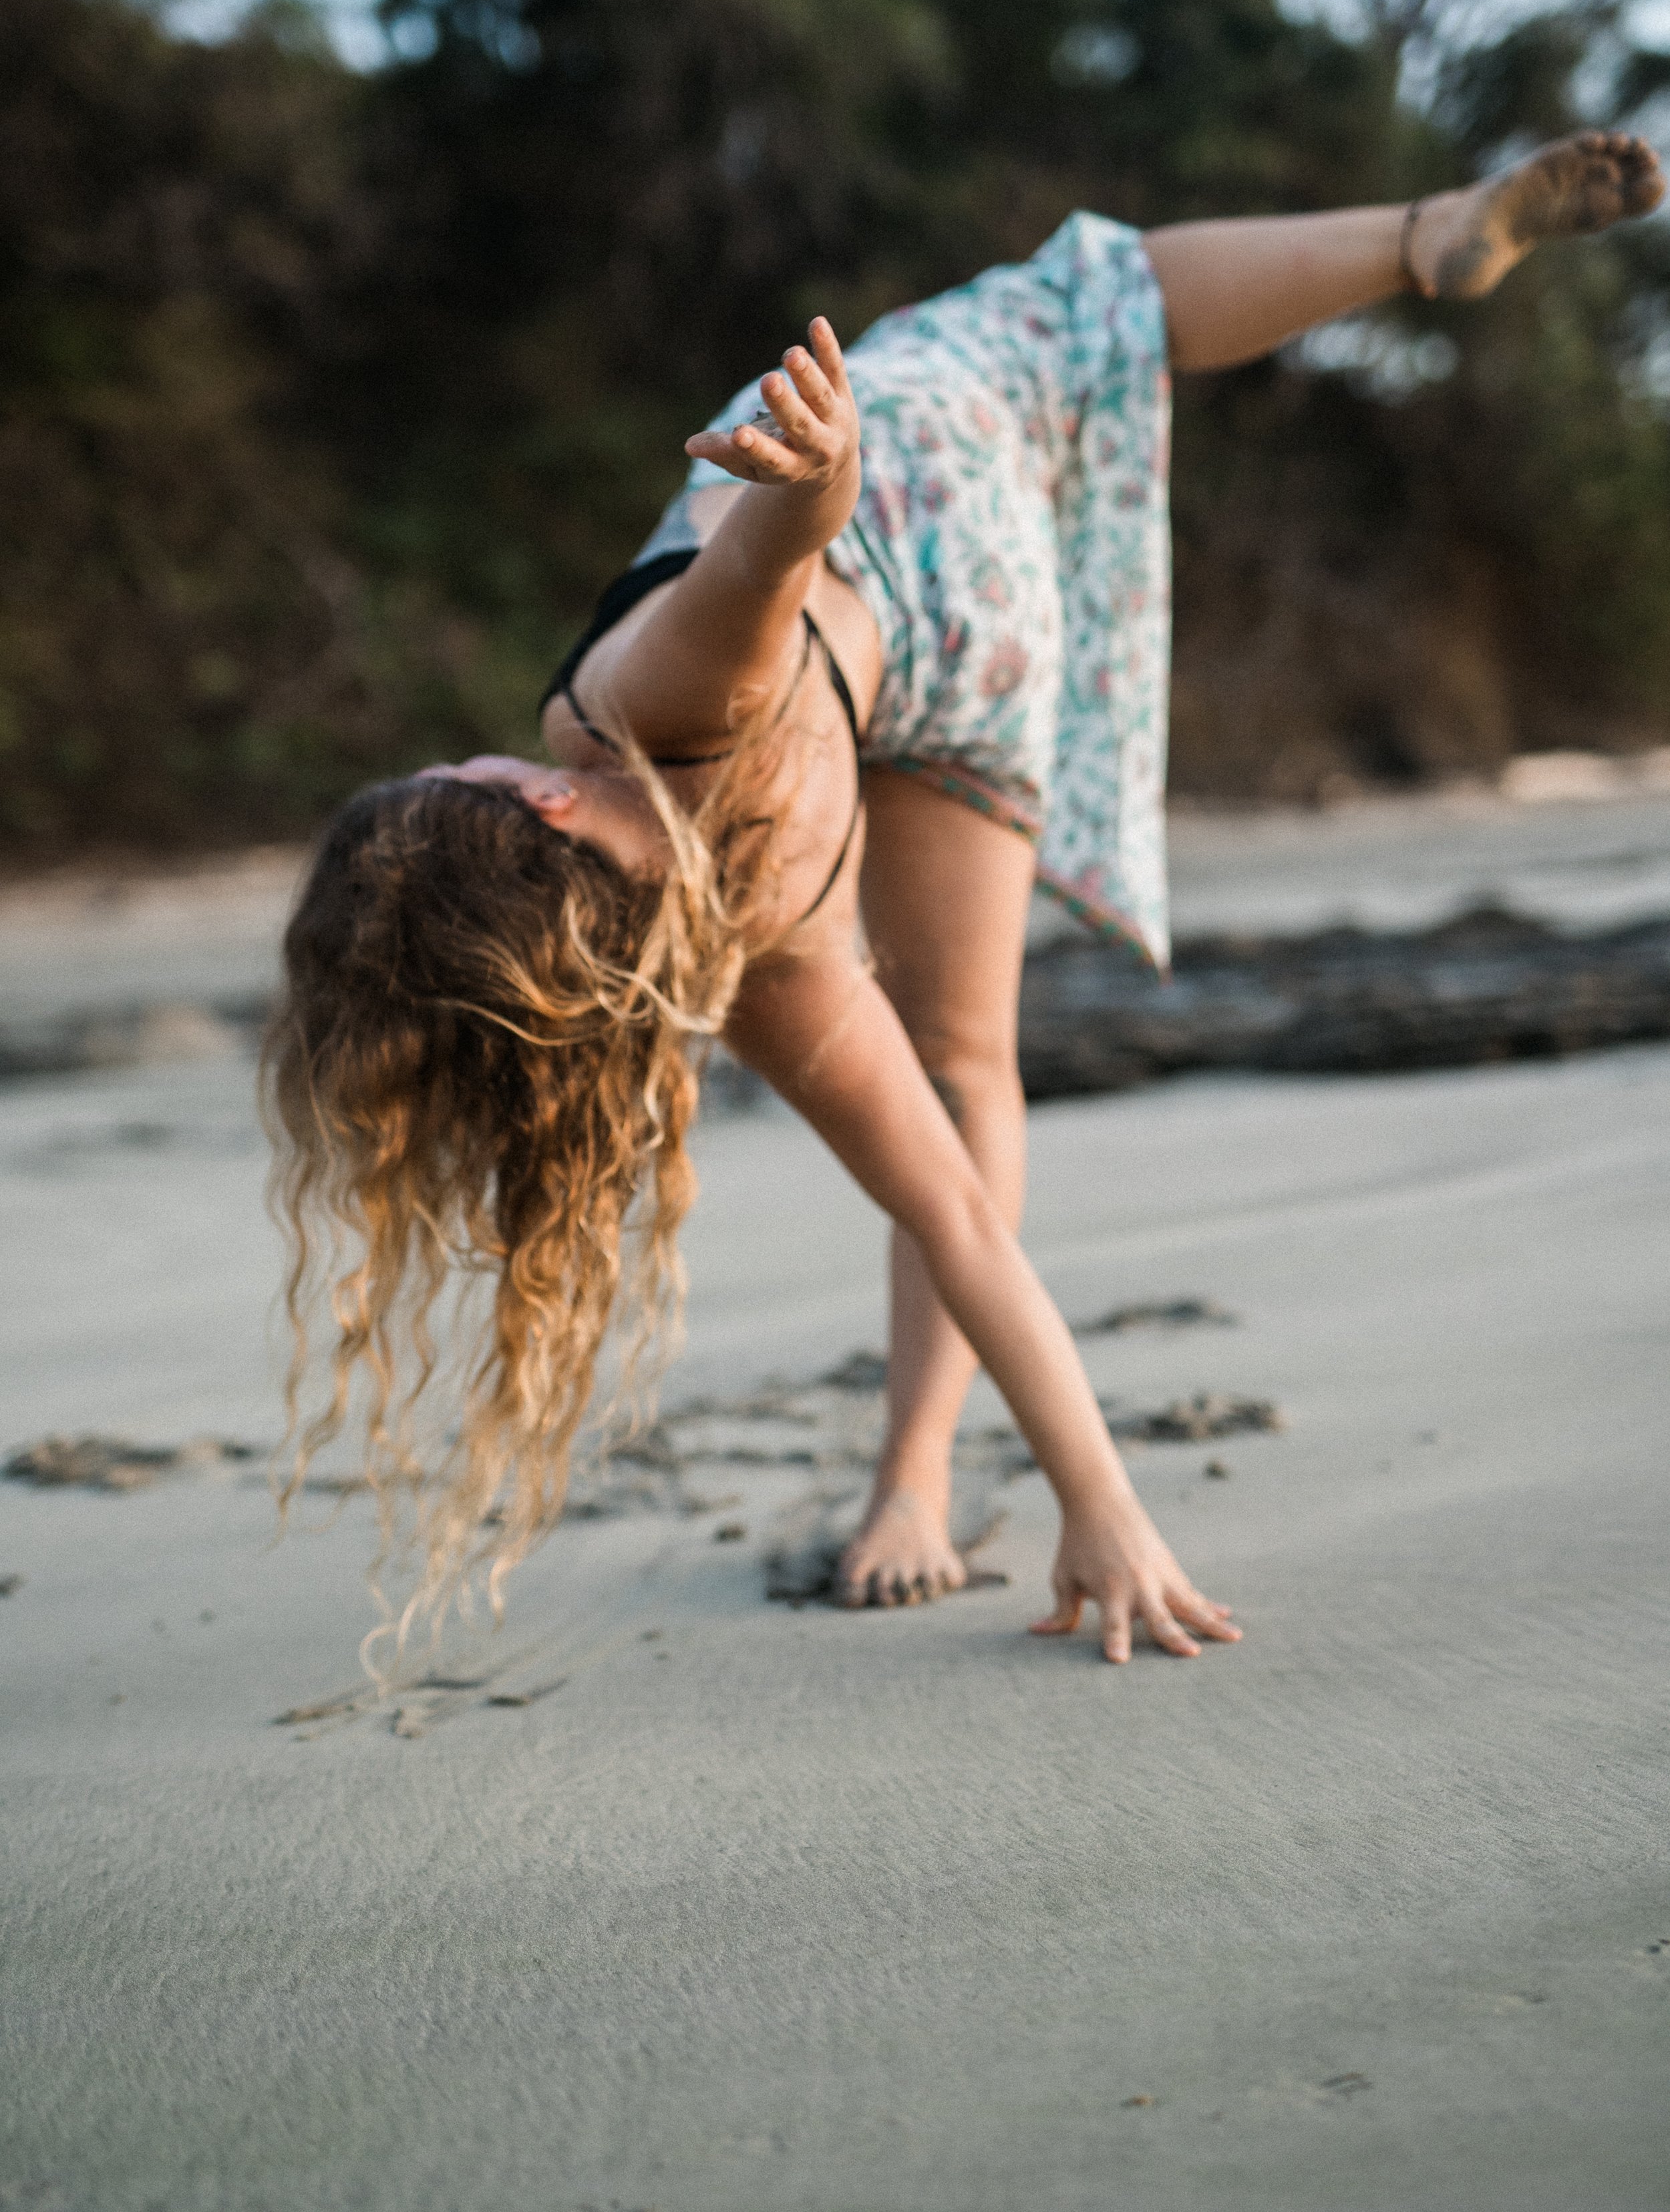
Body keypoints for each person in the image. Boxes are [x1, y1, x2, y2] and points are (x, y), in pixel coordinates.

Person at [265, 130, 1663, 1662]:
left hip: (978, 667)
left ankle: (914, 1487)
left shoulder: (755, 968)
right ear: (522, 798)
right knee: (1092, 300)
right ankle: (1420, 235)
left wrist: (1103, 1510)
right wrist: (813, 481)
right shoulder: (619, 708)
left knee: (961, 1092)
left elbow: (963, 1230)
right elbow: (757, 575)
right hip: (920, 497)